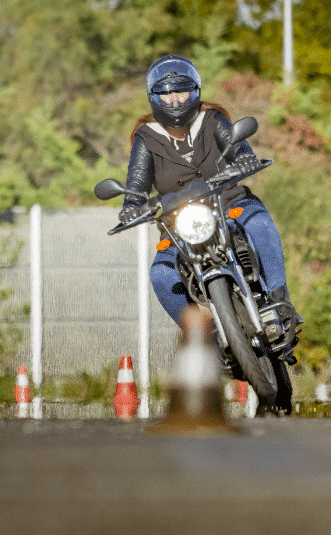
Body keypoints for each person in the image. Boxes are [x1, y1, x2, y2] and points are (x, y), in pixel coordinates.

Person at [119, 54, 302, 339]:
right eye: (167, 95)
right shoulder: (146, 136)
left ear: (195, 91)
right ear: (154, 97)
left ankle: (279, 301)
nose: (176, 100)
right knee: (162, 274)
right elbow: (137, 180)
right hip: (179, 221)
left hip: (229, 202)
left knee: (258, 223)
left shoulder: (212, 118)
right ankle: (202, 339)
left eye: (181, 91)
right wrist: (131, 204)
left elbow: (236, 146)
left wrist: (244, 158)